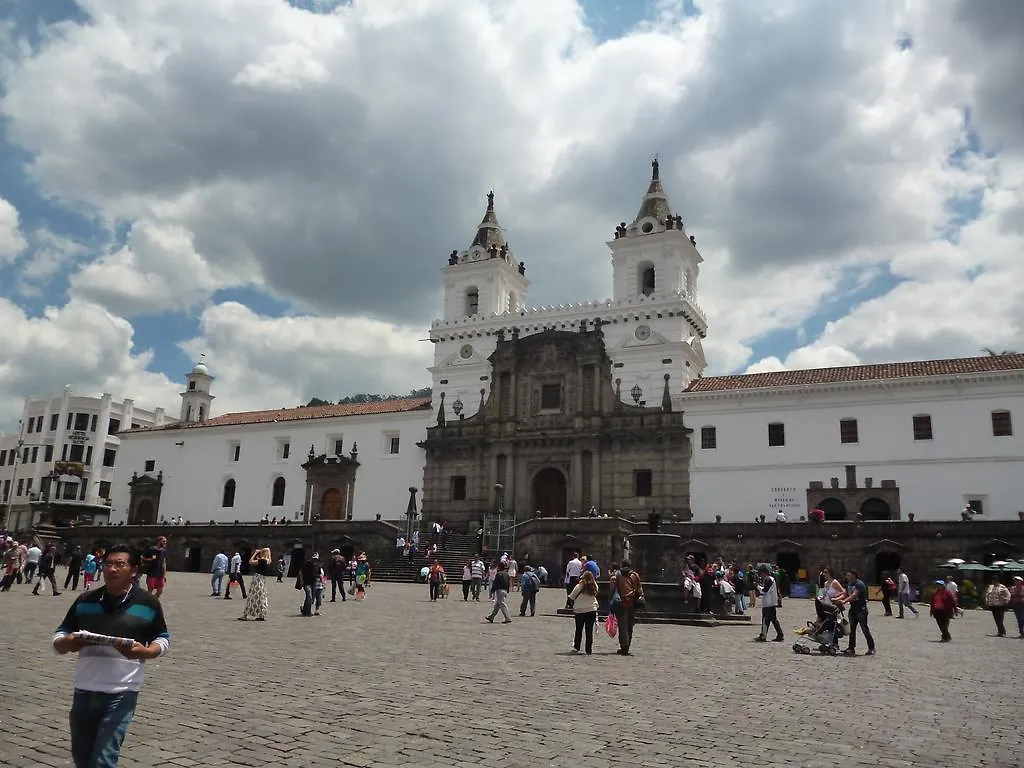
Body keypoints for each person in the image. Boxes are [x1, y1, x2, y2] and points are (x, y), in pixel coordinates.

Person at [52, 544, 170, 767]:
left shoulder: (148, 603)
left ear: (134, 570)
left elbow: (162, 638)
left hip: (122, 693)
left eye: (120, 564)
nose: (112, 569)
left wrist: (146, 652)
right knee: (82, 757)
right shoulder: (85, 600)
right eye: (108, 564)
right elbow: (61, 634)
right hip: (84, 690)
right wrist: (67, 642)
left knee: (104, 759)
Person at [836, 570, 875, 656]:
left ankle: (871, 648)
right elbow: (845, 594)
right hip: (853, 609)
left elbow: (854, 595)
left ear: (853, 575)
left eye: (848, 575)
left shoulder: (859, 584)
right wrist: (837, 599)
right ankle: (851, 648)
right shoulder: (849, 584)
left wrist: (844, 602)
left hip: (861, 610)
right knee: (851, 630)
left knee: (864, 629)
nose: (846, 577)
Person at [610, 560, 643, 655]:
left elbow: (612, 587)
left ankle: (624, 645)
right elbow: (640, 589)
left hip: (622, 602)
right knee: (630, 625)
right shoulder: (635, 575)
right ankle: (627, 646)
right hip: (632, 603)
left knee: (622, 626)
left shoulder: (617, 574)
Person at [568, 571, 599, 654]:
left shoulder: (579, 586)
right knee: (589, 631)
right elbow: (596, 593)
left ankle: (577, 646)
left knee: (579, 629)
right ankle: (588, 649)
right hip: (591, 609)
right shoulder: (594, 586)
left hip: (580, 610)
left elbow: (572, 596)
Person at [239, 547, 271, 621]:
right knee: (261, 597)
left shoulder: (261, 560)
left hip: (257, 580)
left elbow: (250, 562)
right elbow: (270, 558)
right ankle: (261, 615)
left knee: (252, 597)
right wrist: (268, 552)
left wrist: (255, 553)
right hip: (263, 580)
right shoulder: (267, 561)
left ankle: (245, 615)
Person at [754, 564, 783, 643]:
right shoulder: (771, 579)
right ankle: (780, 635)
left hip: (768, 603)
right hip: (771, 603)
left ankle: (763, 636)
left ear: (763, 572)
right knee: (774, 620)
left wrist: (757, 586)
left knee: (765, 620)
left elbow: (764, 591)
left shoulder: (768, 580)